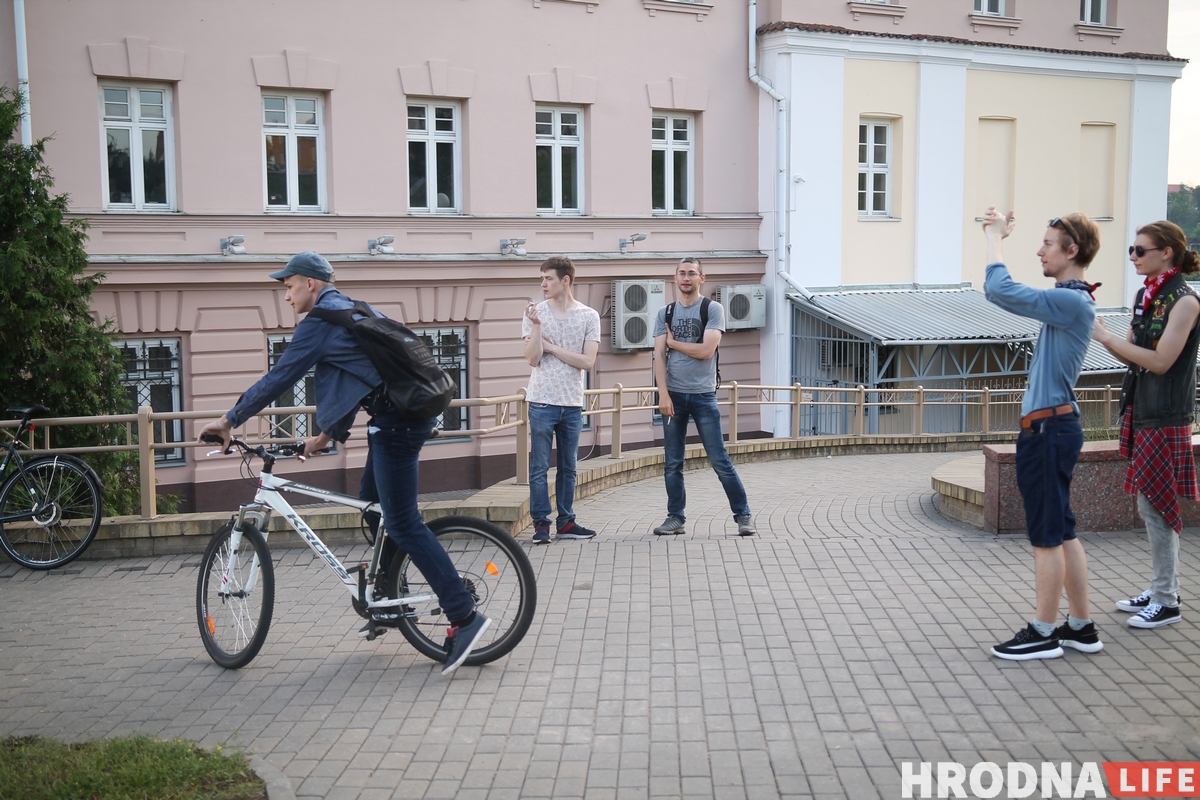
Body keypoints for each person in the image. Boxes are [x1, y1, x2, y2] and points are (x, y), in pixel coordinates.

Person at [197, 251, 489, 676]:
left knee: (403, 522)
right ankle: (390, 597)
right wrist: (327, 434)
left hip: (397, 424)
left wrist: (229, 420)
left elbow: (279, 377)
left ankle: (464, 617)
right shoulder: (355, 309)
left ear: (311, 284)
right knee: (373, 508)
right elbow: (365, 375)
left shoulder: (319, 323)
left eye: (289, 286)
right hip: (400, 416)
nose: (286, 296)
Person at [982, 208, 1104, 660]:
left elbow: (999, 289)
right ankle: (1080, 626)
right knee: (1063, 530)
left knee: (1046, 536)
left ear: (1072, 251)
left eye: (1048, 244)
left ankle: (1044, 631)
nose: (1040, 251)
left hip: (1049, 430)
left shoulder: (1072, 301)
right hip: (1054, 426)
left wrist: (995, 239)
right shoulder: (1071, 299)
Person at [1092, 220, 1200, 630]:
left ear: (1166, 252)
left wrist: (1104, 336)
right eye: (1132, 250)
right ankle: (1161, 588)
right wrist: (1113, 341)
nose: (1133, 257)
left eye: (1140, 250)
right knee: (1150, 504)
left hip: (1167, 414)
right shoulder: (1146, 296)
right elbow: (1135, 357)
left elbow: (1160, 362)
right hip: (1143, 410)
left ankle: (1166, 599)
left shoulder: (1186, 302)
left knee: (1159, 506)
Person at [652, 257, 755, 537]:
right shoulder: (666, 313)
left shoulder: (713, 309)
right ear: (675, 278)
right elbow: (658, 357)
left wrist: (673, 342)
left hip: (703, 396)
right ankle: (676, 517)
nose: (686, 278)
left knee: (719, 460)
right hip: (673, 396)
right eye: (682, 273)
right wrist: (662, 393)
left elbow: (706, 351)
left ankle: (743, 515)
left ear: (702, 278)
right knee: (673, 462)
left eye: (692, 274)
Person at [522, 256, 601, 543]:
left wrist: (552, 348)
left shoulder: (588, 316)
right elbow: (532, 359)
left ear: (565, 280)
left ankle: (566, 522)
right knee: (539, 466)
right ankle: (541, 525)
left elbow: (587, 361)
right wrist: (537, 327)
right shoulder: (534, 313)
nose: (543, 284)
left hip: (571, 403)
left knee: (569, 467)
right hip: (541, 400)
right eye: (541, 278)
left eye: (548, 278)